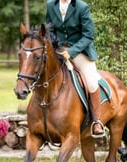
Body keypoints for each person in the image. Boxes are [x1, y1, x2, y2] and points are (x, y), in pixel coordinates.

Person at [46, 0, 105, 138]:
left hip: (79, 51)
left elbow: (88, 35)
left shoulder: (82, 7)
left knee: (91, 81)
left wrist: (71, 52)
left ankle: (96, 121)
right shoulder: (50, 5)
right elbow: (50, 31)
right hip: (58, 50)